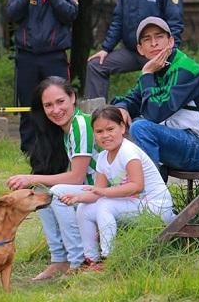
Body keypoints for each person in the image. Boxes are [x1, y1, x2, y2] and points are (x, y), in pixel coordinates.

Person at [6, 76, 100, 281]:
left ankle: (79, 262)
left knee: (55, 192)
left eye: (60, 102)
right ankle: (59, 260)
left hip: (110, 192)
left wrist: (29, 179)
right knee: (42, 191)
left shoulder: (81, 124)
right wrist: (35, 181)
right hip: (92, 191)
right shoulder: (65, 131)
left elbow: (76, 178)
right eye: (48, 105)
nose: (55, 110)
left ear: (72, 97)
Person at [60, 106, 174, 269]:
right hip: (135, 205)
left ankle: (109, 258)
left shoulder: (128, 152)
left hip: (156, 206)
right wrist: (78, 198)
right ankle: (91, 258)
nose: (105, 135)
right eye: (99, 131)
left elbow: (136, 186)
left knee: (106, 205)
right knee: (84, 209)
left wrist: (104, 192)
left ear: (122, 127)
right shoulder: (102, 158)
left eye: (110, 129)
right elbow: (96, 193)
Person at [112, 17, 199, 175]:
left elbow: (155, 114)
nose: (154, 43)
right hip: (174, 141)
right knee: (113, 123)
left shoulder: (185, 69)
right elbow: (132, 100)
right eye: (147, 39)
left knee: (140, 127)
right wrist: (121, 107)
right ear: (140, 49)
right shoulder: (156, 69)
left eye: (159, 36)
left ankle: (152, 192)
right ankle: (132, 189)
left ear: (170, 41)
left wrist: (147, 74)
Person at [84, 0, 184, 101]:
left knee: (163, 80)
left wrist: (169, 54)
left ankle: (156, 116)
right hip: (132, 51)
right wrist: (106, 48)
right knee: (96, 65)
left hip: (157, 52)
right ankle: (96, 118)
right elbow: (117, 21)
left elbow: (175, 24)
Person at [5, 0, 79, 154]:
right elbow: (11, 15)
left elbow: (70, 15)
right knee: (28, 106)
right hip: (27, 57)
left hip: (54, 57)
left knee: (60, 105)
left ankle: (62, 149)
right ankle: (28, 151)